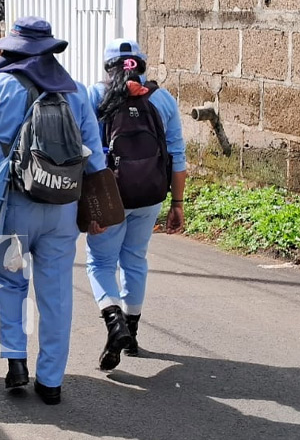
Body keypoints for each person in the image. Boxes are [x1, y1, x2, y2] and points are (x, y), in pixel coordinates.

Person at [0, 17, 106, 405]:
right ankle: (51, 381)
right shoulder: (74, 91)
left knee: (10, 282)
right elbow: (95, 152)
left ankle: (16, 362)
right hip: (62, 205)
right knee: (55, 295)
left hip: (14, 205)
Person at [85, 38, 187, 370]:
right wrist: (178, 204)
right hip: (150, 194)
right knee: (135, 259)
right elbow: (178, 157)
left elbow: (83, 153)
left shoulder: (94, 96)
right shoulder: (163, 99)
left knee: (100, 262)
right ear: (142, 66)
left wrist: (87, 208)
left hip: (110, 196)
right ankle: (131, 331)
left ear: (107, 67)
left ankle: (114, 324)